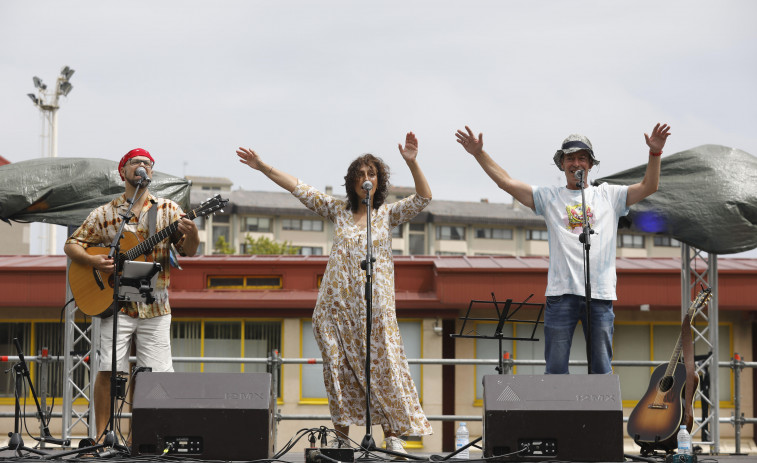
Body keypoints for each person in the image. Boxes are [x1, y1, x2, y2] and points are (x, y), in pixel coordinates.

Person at [236, 132, 433, 453]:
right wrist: (262, 167)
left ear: (378, 181)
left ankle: (392, 436)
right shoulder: (338, 210)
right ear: (351, 181)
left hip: (374, 308)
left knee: (381, 368)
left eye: (371, 174)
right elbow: (299, 187)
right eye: (360, 174)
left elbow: (424, 198)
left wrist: (412, 163)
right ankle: (341, 439)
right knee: (337, 369)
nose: (365, 179)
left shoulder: (387, 214)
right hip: (334, 309)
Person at [455, 123, 671, 374]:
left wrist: (655, 153)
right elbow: (506, 183)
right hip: (561, 294)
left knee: (601, 368)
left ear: (590, 164)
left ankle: (598, 414)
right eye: (570, 158)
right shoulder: (549, 197)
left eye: (582, 158)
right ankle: (557, 414)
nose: (576, 163)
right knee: (556, 369)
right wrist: (479, 153)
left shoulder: (609, 195)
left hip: (599, 295)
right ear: (561, 164)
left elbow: (649, 186)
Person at [64, 148, 199, 441]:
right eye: (136, 163)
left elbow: (189, 251)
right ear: (122, 171)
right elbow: (72, 244)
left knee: (156, 375)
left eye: (148, 164)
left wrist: (194, 233)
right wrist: (94, 261)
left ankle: (145, 439)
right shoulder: (106, 213)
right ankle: (101, 438)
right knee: (108, 369)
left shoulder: (168, 210)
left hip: (156, 306)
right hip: (116, 305)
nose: (143, 167)